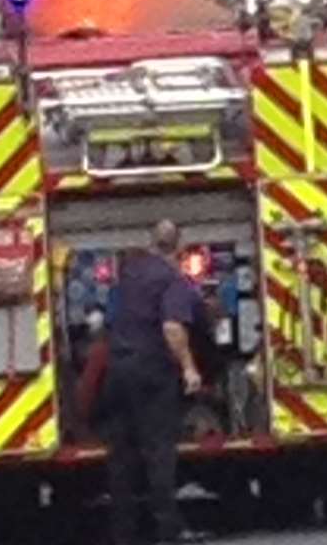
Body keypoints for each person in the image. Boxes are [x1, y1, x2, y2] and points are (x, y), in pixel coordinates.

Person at [101, 220, 208, 545]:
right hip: (151, 372)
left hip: (118, 371)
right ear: (179, 248)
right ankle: (167, 530)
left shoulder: (130, 273)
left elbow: (110, 317)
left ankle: (123, 531)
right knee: (158, 452)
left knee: (121, 454)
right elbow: (172, 328)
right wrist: (189, 368)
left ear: (150, 243)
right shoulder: (172, 280)